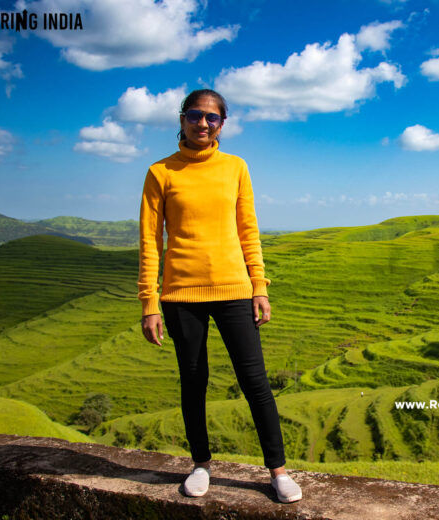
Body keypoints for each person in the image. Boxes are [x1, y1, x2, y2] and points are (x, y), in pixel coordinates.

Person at [137, 88, 302, 503]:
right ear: (181, 119)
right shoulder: (160, 172)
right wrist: (149, 303)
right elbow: (149, 242)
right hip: (180, 294)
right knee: (193, 382)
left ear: (222, 124)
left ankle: (278, 471)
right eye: (195, 115)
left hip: (234, 289)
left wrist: (259, 286)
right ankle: (201, 464)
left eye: (212, 118)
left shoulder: (236, 168)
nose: (203, 124)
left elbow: (249, 230)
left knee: (255, 381)